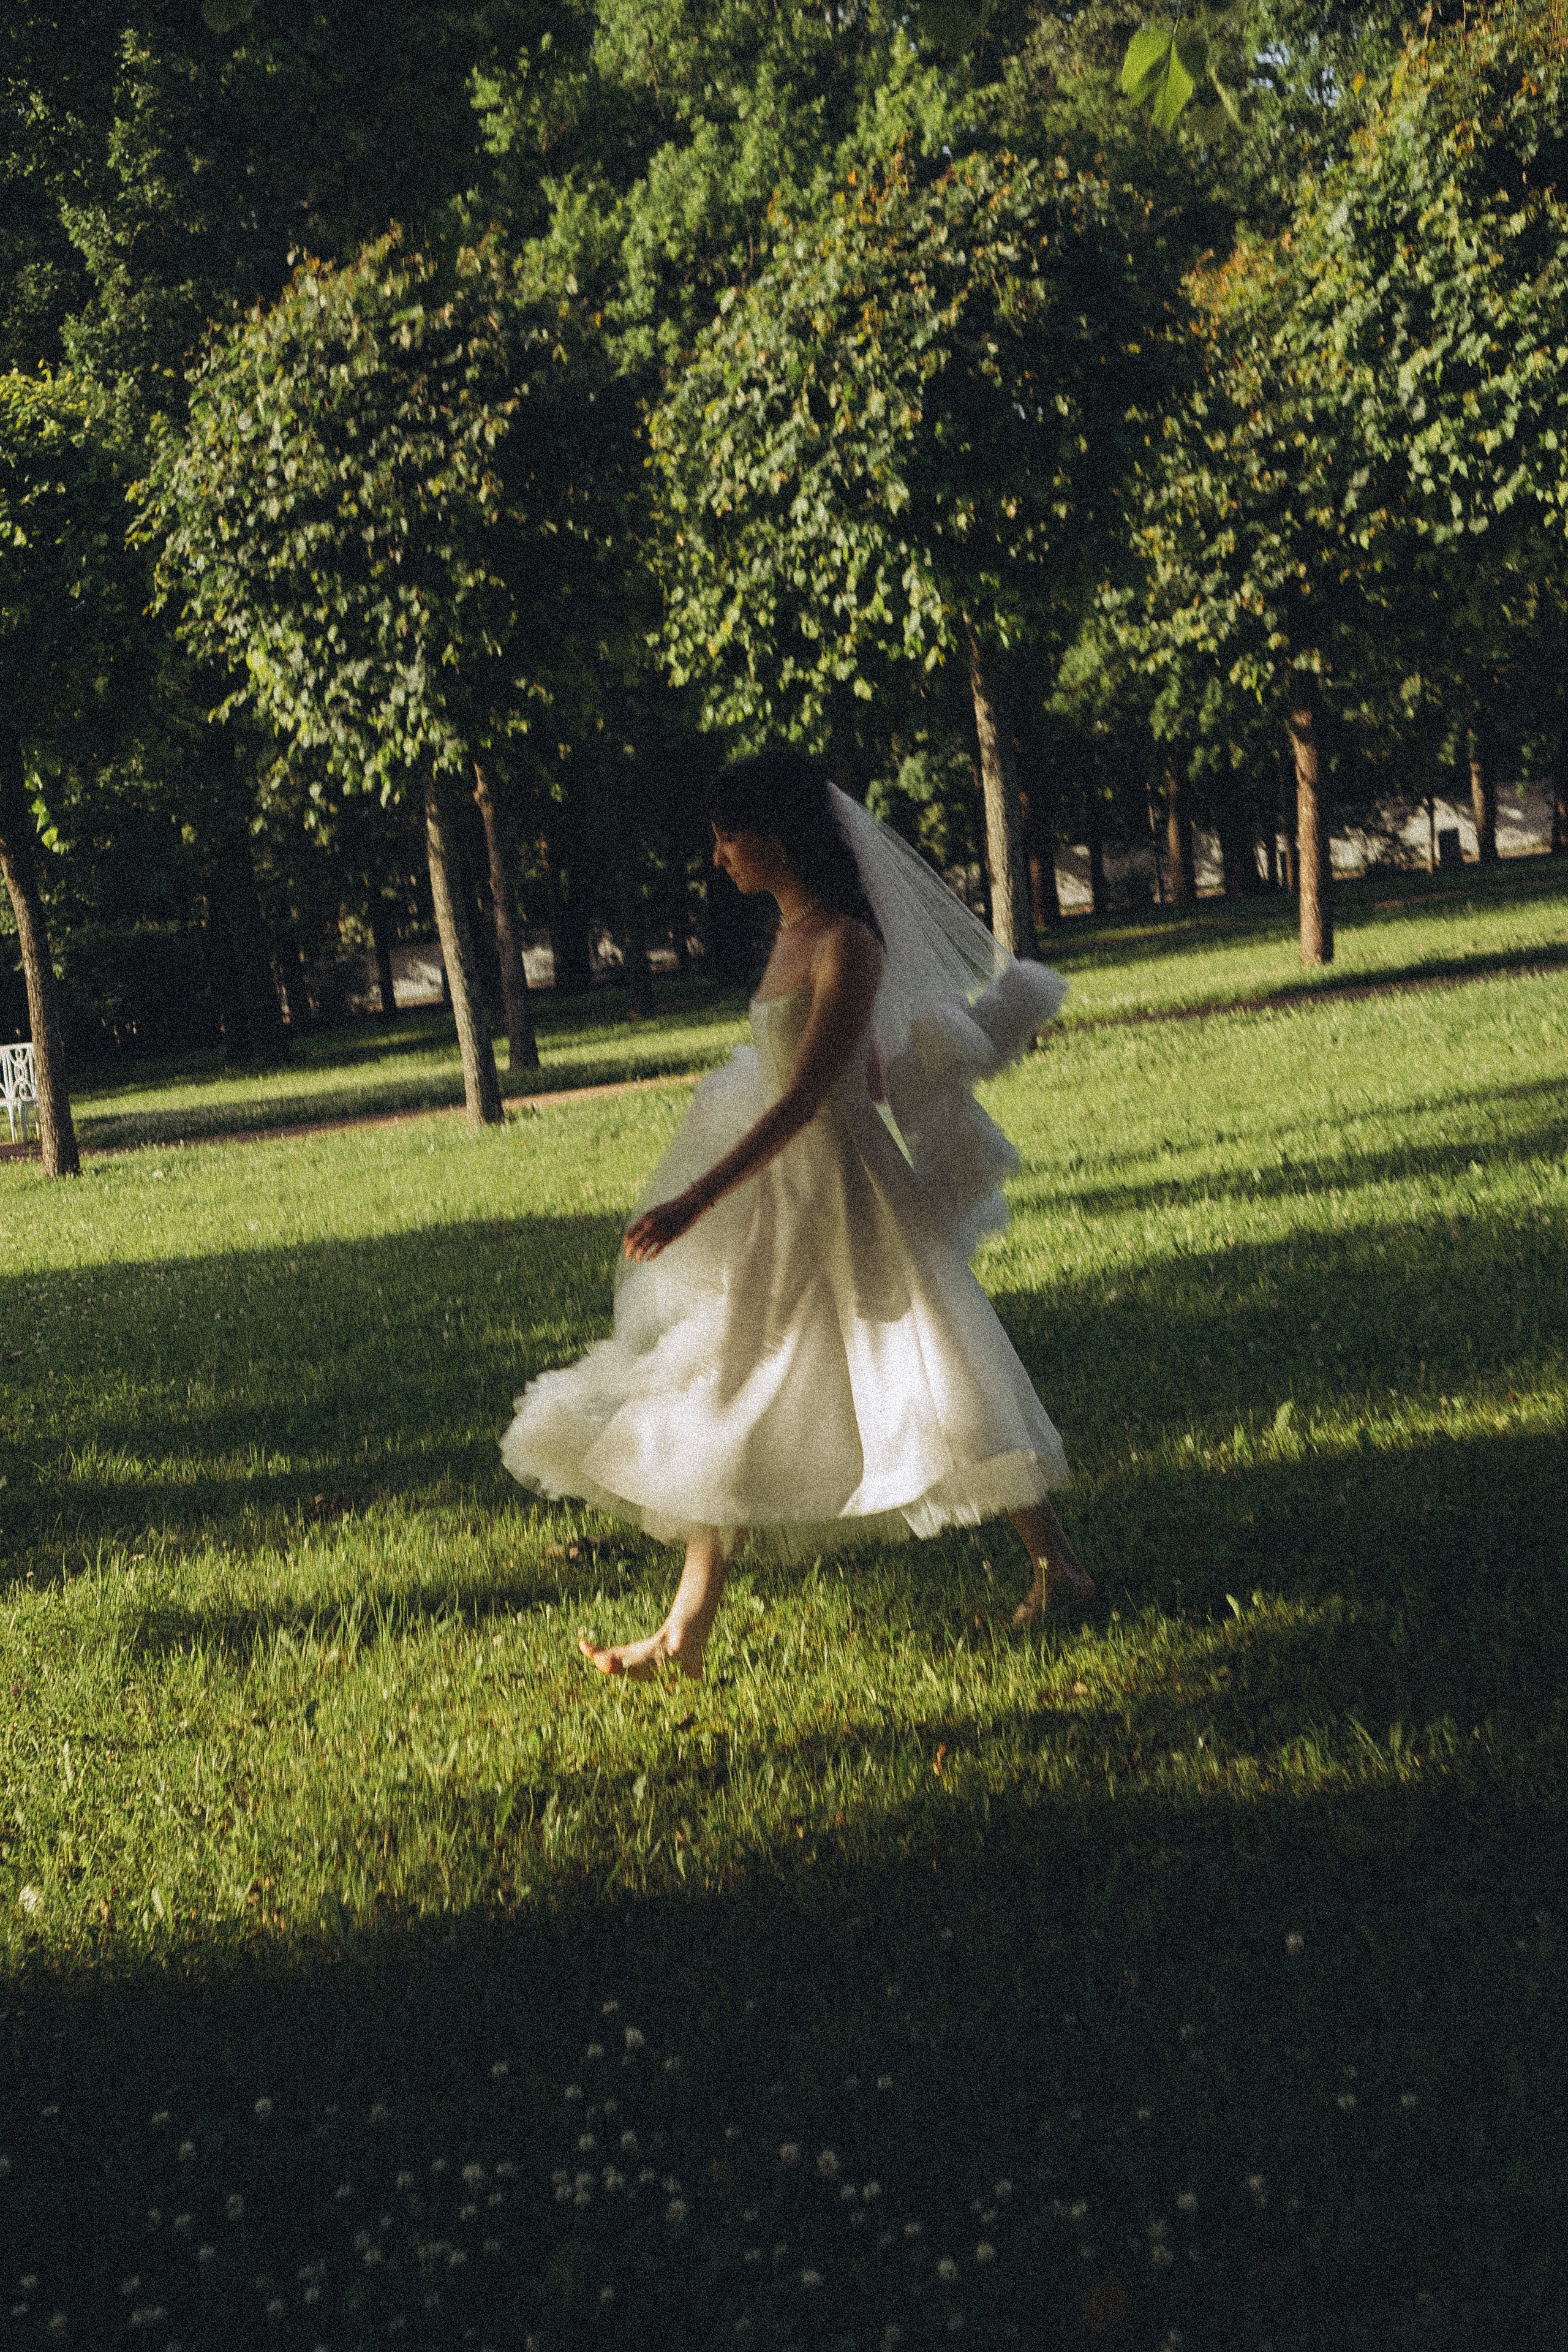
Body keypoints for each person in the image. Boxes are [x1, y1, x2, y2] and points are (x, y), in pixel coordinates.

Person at [500, 748, 1093, 1678]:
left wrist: (697, 1197)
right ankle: (683, 1636)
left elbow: (813, 1094)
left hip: (843, 1189)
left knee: (933, 1371)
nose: (718, 857)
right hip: (789, 1193)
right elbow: (836, 1069)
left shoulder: (848, 941)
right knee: (738, 1383)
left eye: (728, 838)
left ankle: (1059, 1565)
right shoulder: (794, 934)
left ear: (776, 837)